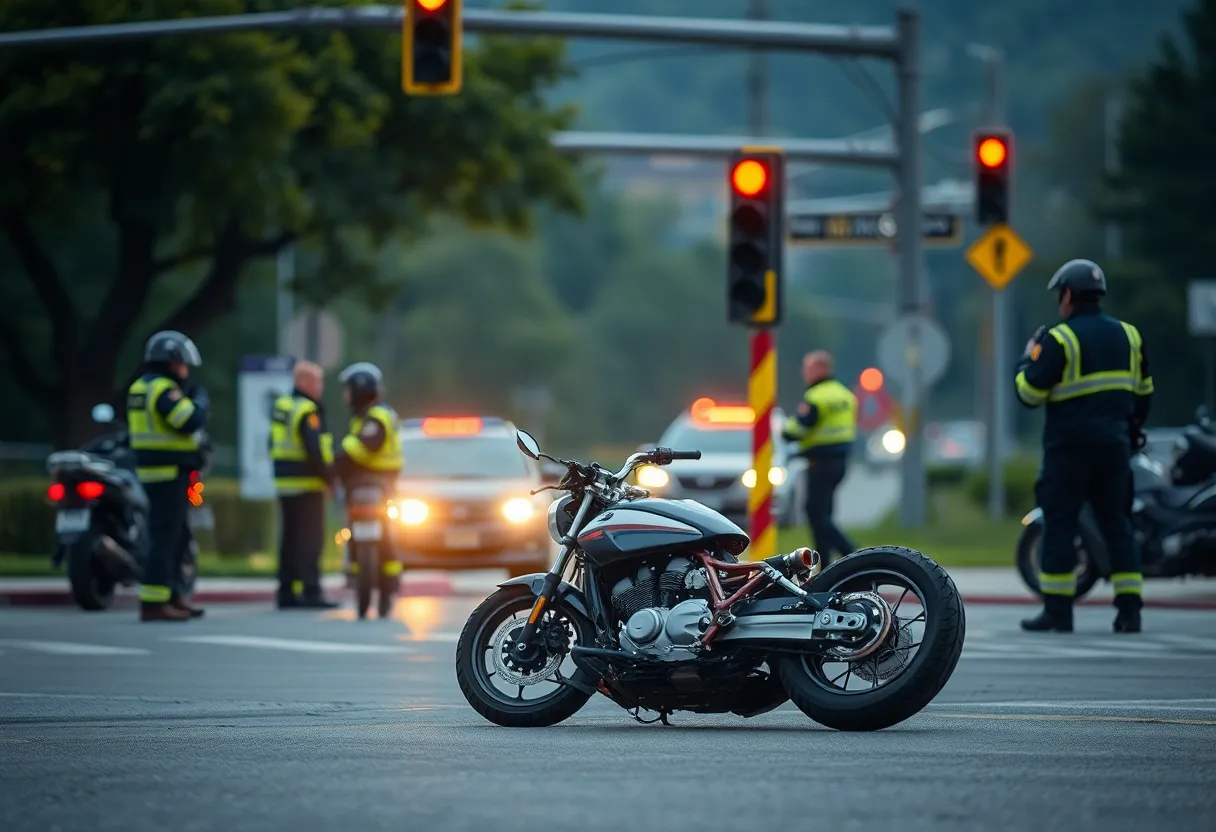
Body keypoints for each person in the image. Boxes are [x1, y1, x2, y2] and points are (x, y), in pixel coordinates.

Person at [1014, 258, 1153, 634]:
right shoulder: (1130, 335)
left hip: (1070, 452)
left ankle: (1058, 612)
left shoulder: (1060, 339)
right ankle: (1130, 612)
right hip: (1115, 448)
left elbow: (1029, 393)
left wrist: (1028, 358)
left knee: (1060, 526)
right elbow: (1144, 393)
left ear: (1069, 296)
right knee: (1118, 525)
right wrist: (1132, 429)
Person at [126, 331, 209, 622]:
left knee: (178, 536)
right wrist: (200, 400)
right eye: (183, 364)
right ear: (171, 362)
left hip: (157, 474)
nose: (186, 371)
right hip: (168, 474)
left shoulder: (140, 387)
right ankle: (154, 603)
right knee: (164, 539)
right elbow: (188, 421)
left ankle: (174, 596)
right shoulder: (163, 389)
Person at [333, 362, 404, 617]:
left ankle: (388, 585)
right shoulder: (367, 415)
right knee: (355, 530)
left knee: (387, 536)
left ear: (360, 390)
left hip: (377, 483)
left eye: (348, 389)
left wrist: (337, 458)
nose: (346, 395)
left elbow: (365, 447)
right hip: (365, 484)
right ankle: (357, 574)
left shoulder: (376, 418)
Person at [269, 360, 337, 610]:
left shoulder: (282, 406)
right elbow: (314, 450)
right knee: (310, 540)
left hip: (285, 482)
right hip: (307, 483)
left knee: (289, 539)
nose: (320, 387)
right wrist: (329, 479)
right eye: (317, 381)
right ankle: (311, 591)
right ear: (304, 382)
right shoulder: (307, 410)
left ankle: (286, 593)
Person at [781, 350, 858, 566]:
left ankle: (850, 553)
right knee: (824, 516)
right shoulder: (845, 394)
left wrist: (784, 429)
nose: (803, 373)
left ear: (819, 369)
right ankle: (827, 566)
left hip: (820, 463)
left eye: (807, 368)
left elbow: (801, 428)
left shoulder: (816, 397)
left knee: (815, 515)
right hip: (839, 462)